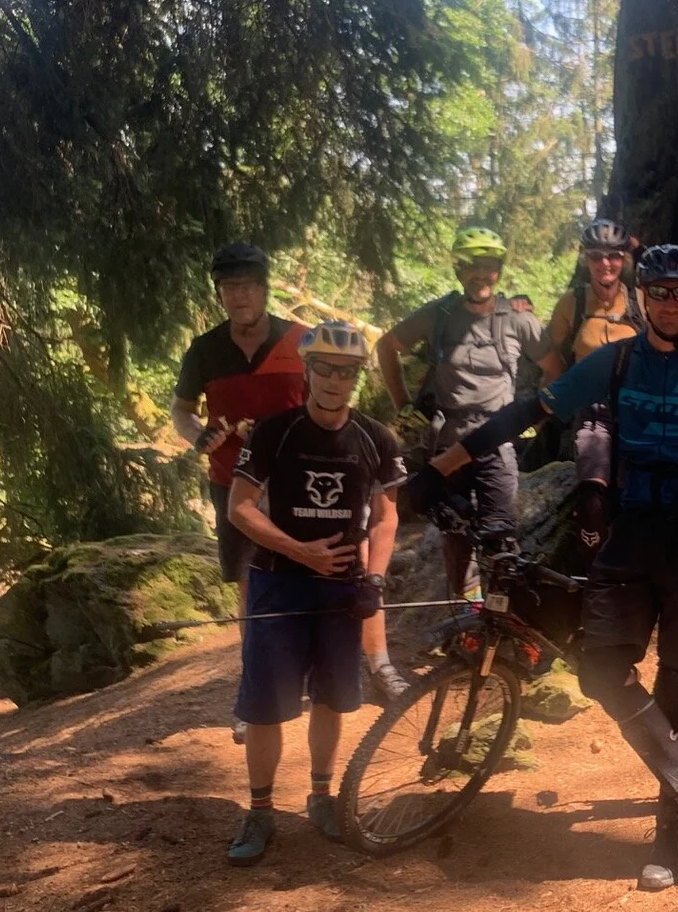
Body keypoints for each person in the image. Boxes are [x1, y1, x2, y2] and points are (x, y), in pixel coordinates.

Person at [402, 245, 678, 891]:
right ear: (644, 296)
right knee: (598, 669)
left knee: (677, 689)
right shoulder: (616, 362)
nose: (672, 302)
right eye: (662, 291)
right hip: (636, 530)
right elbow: (520, 413)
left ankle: (670, 837)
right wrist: (439, 469)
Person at [173, 247, 382, 740]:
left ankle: (363, 670)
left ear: (265, 288)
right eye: (229, 288)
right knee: (251, 590)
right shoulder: (204, 349)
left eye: (247, 285)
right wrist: (198, 436)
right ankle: (255, 697)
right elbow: (182, 410)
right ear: (219, 294)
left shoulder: (298, 340)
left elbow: (330, 396)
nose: (239, 295)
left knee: (331, 574)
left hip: (302, 485)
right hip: (234, 484)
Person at [223, 321, 406, 865]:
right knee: (265, 707)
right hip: (278, 584)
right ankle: (259, 810)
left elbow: (386, 516)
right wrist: (302, 553)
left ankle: (322, 797)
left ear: (357, 377)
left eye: (346, 371)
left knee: (332, 698)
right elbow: (240, 507)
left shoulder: (376, 437)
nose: (334, 380)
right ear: (308, 370)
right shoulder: (275, 432)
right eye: (324, 368)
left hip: (341, 592)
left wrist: (373, 579)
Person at [376, 225, 545, 598]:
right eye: (471, 265)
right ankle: (469, 617)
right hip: (447, 441)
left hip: (497, 440)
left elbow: (558, 370)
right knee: (456, 531)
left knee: (499, 536)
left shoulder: (519, 319)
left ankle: (500, 628)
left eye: (488, 265)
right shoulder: (439, 314)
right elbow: (386, 346)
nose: (480, 273)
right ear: (458, 270)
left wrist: (536, 414)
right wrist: (404, 404)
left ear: (499, 270)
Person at [540, 218, 644, 565]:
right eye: (597, 256)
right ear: (586, 259)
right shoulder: (572, 302)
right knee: (592, 497)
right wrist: (552, 402)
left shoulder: (640, 301)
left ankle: (634, 571)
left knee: (637, 494)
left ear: (623, 260)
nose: (605, 264)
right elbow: (548, 355)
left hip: (635, 411)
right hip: (591, 410)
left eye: (613, 256)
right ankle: (594, 571)